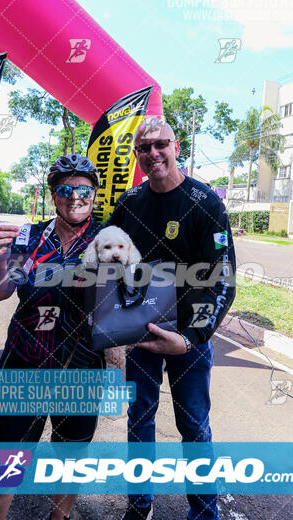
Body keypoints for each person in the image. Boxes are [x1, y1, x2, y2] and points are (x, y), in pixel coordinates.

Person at [109, 117, 236, 520]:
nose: (153, 154)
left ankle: (203, 512)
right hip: (141, 335)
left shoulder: (205, 203)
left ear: (176, 146)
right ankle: (139, 505)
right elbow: (107, 269)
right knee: (139, 422)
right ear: (137, 155)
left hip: (188, 340)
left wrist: (190, 338)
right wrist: (113, 327)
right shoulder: (129, 205)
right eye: (143, 148)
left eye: (160, 144)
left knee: (195, 426)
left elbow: (222, 280)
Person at [0, 154, 103, 520]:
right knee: (5, 467)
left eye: (84, 189)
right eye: (65, 189)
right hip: (25, 365)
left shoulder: (108, 239)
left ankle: (58, 517)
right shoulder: (29, 237)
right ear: (53, 194)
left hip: (81, 369)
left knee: (70, 461)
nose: (75, 196)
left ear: (94, 193)